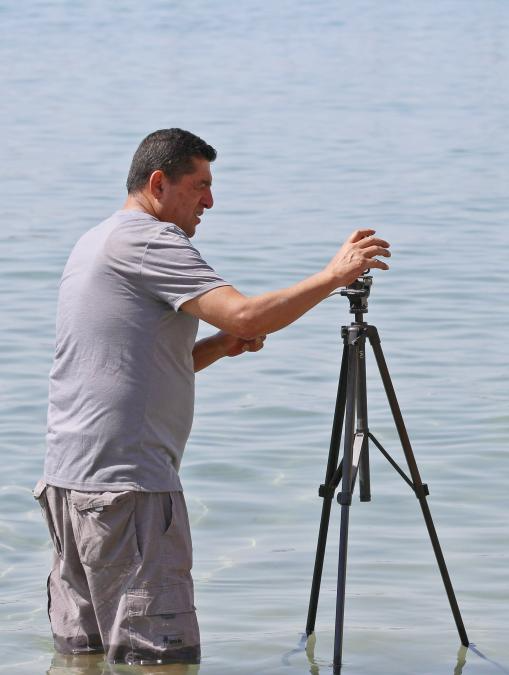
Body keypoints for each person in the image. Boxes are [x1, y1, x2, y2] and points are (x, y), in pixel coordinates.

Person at [35, 128, 390, 665]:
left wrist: (220, 346)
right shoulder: (151, 240)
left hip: (70, 486)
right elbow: (245, 314)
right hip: (128, 491)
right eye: (200, 185)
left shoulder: (95, 241)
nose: (210, 201)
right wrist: (333, 276)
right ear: (159, 183)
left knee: (82, 660)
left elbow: (124, 369)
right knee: (163, 662)